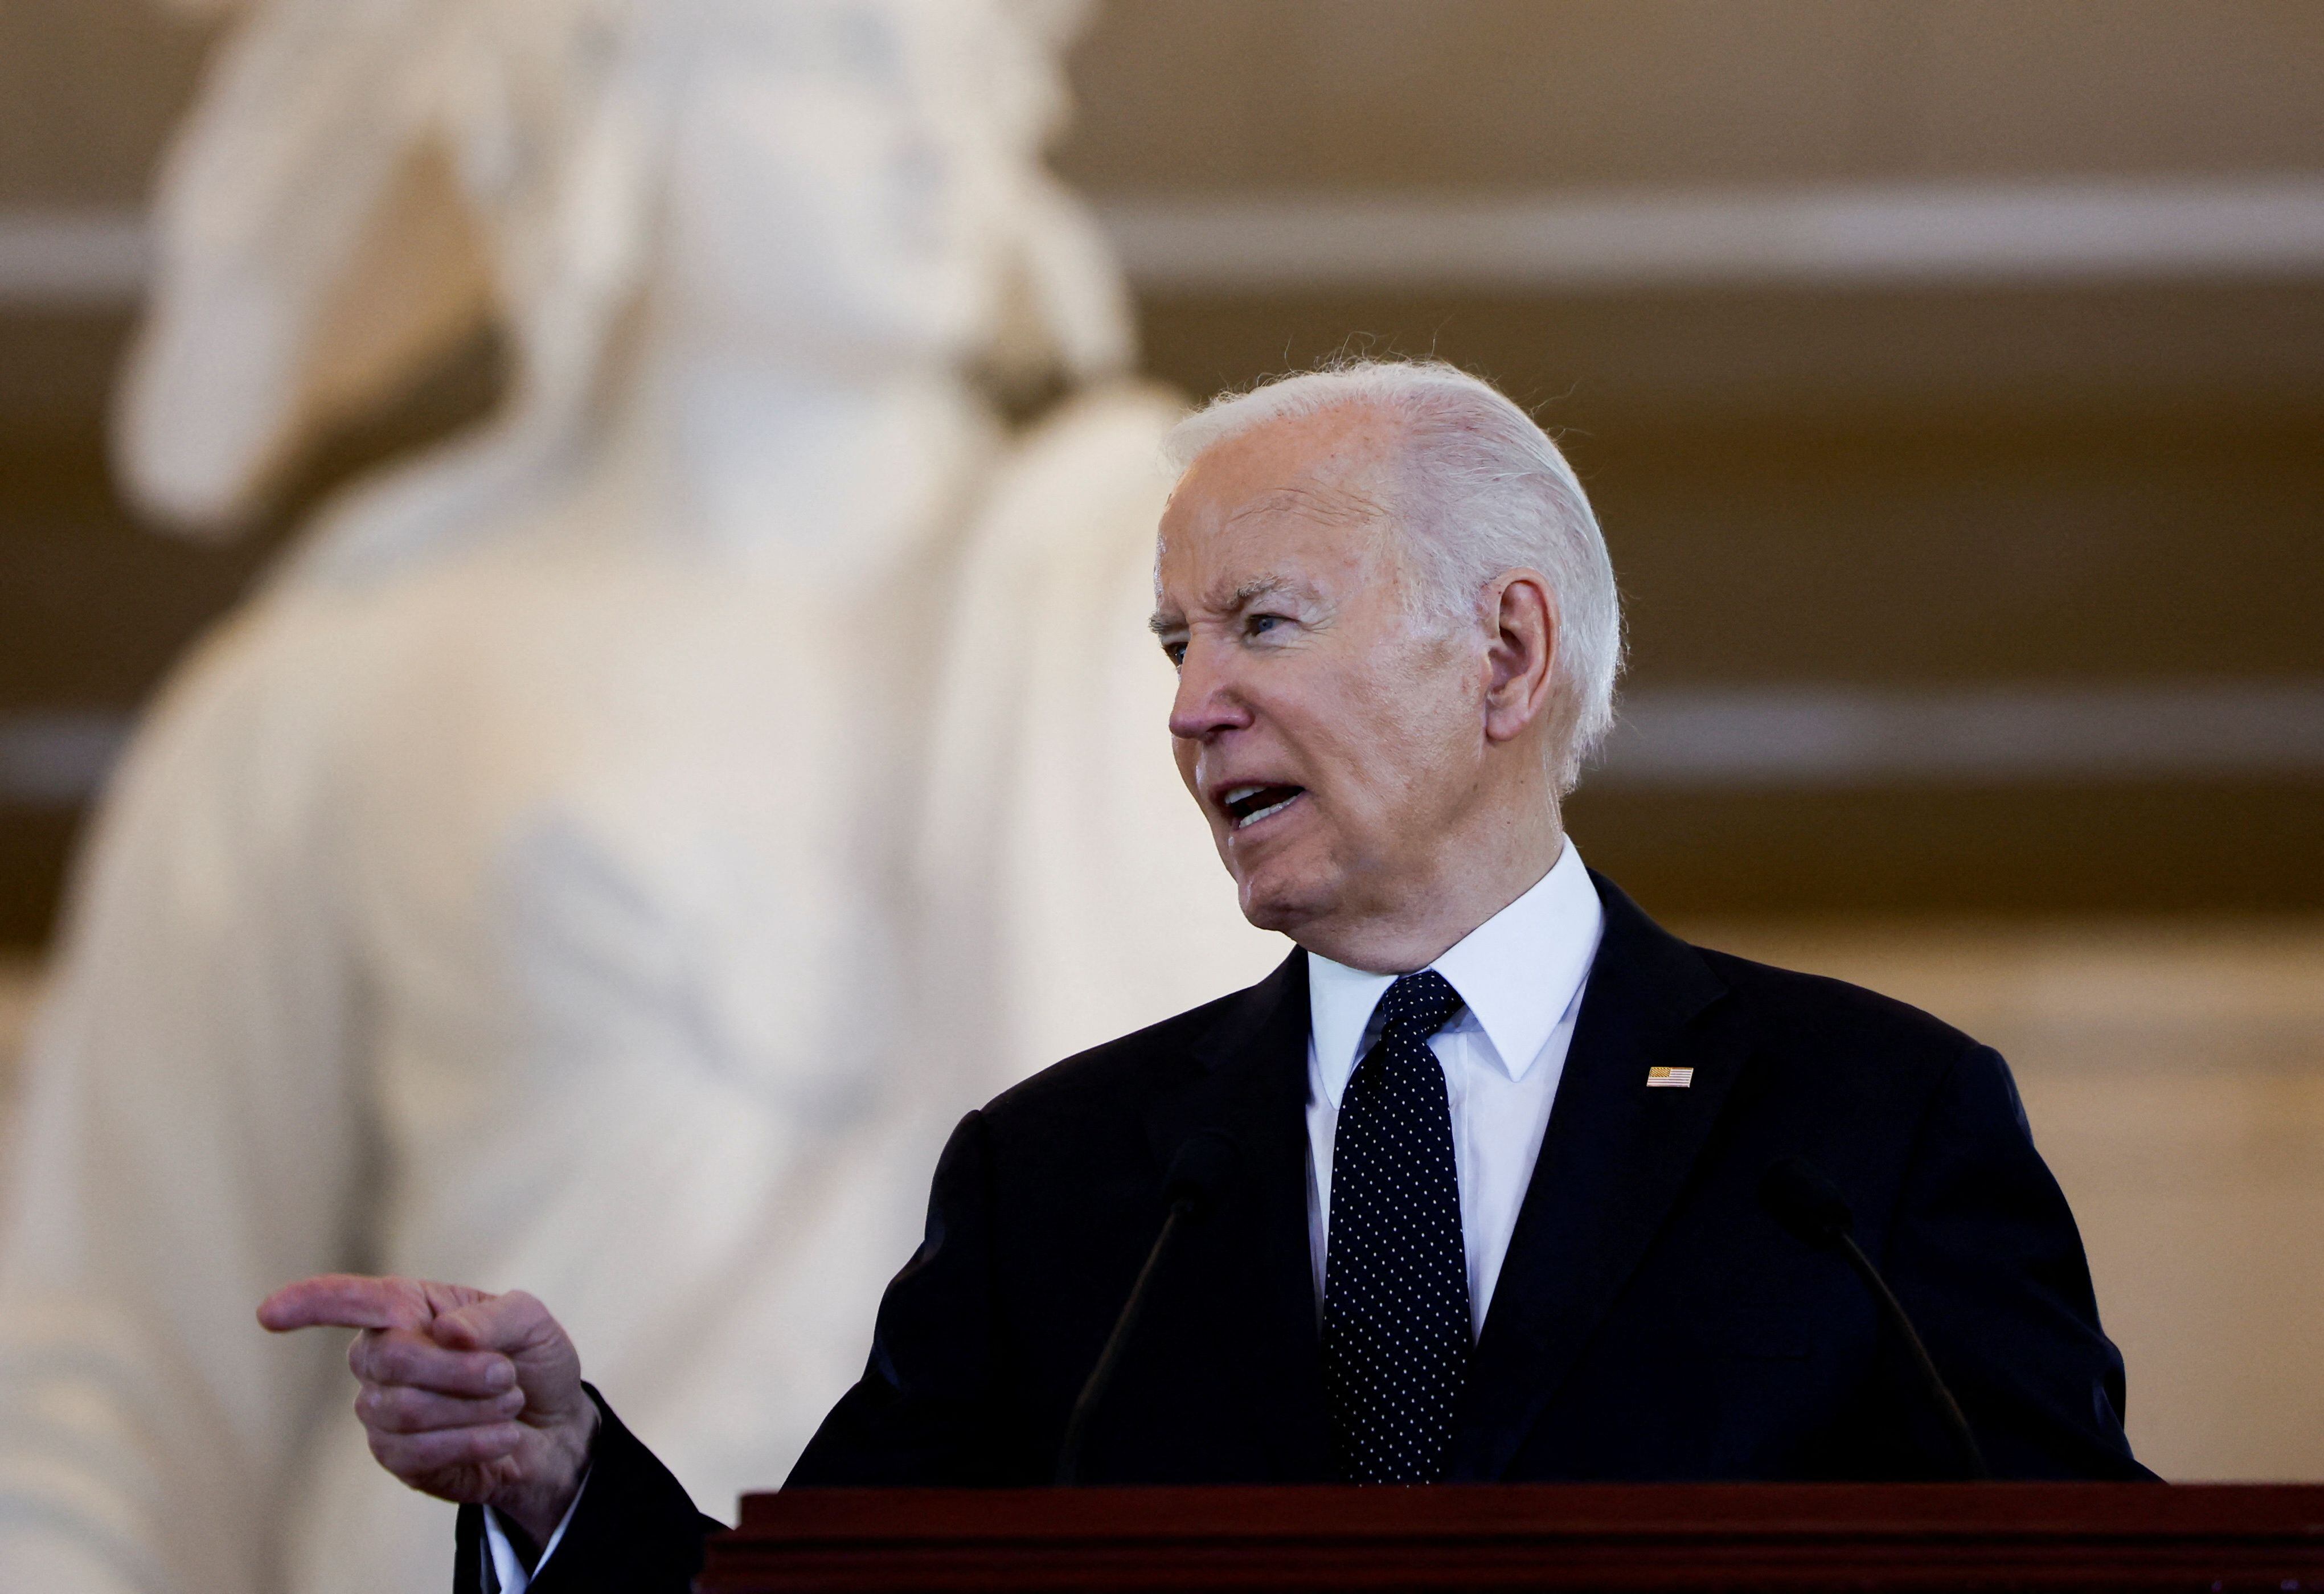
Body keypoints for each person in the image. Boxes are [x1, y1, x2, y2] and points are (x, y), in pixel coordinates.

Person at [264, 360, 2150, 1593]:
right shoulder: (1064, 1180)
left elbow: (2095, 1574)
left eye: (1261, 625)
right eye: (1172, 643)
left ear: (1503, 655)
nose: (1189, 708)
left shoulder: (1858, 1127)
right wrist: (561, 1474)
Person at [0, 2, 1277, 1591]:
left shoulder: (1182, 633)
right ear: (602, 93)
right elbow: (116, 1394)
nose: (937, 133)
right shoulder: (334, 699)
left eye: (973, 71)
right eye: (842, 58)